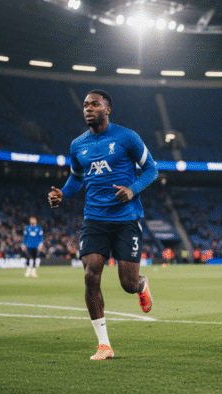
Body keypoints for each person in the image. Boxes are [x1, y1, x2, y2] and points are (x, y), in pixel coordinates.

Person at [48, 89, 158, 361]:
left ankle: (141, 285)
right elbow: (76, 179)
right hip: (94, 219)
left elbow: (152, 169)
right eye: (86, 105)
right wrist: (63, 193)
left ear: (107, 109)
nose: (88, 108)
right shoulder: (78, 145)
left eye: (95, 104)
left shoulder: (127, 137)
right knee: (90, 274)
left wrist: (132, 189)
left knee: (127, 283)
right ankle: (104, 344)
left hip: (126, 219)